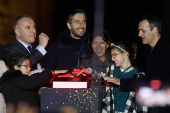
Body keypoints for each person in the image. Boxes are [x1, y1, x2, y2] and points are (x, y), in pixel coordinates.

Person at [103, 14, 170, 113]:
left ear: (154, 30)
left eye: (143, 31)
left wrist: (121, 82)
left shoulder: (165, 52)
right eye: (139, 31)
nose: (139, 34)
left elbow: (152, 82)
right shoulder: (150, 51)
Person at [0, 54, 67, 111]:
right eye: (26, 66)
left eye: (29, 66)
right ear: (16, 67)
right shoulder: (16, 80)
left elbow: (26, 95)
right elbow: (33, 80)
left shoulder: (14, 80)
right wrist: (51, 72)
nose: (29, 69)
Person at [102, 40, 147, 113]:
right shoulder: (111, 70)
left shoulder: (138, 75)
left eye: (115, 55)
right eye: (111, 55)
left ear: (125, 54)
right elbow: (98, 75)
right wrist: (89, 70)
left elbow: (143, 102)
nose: (112, 58)